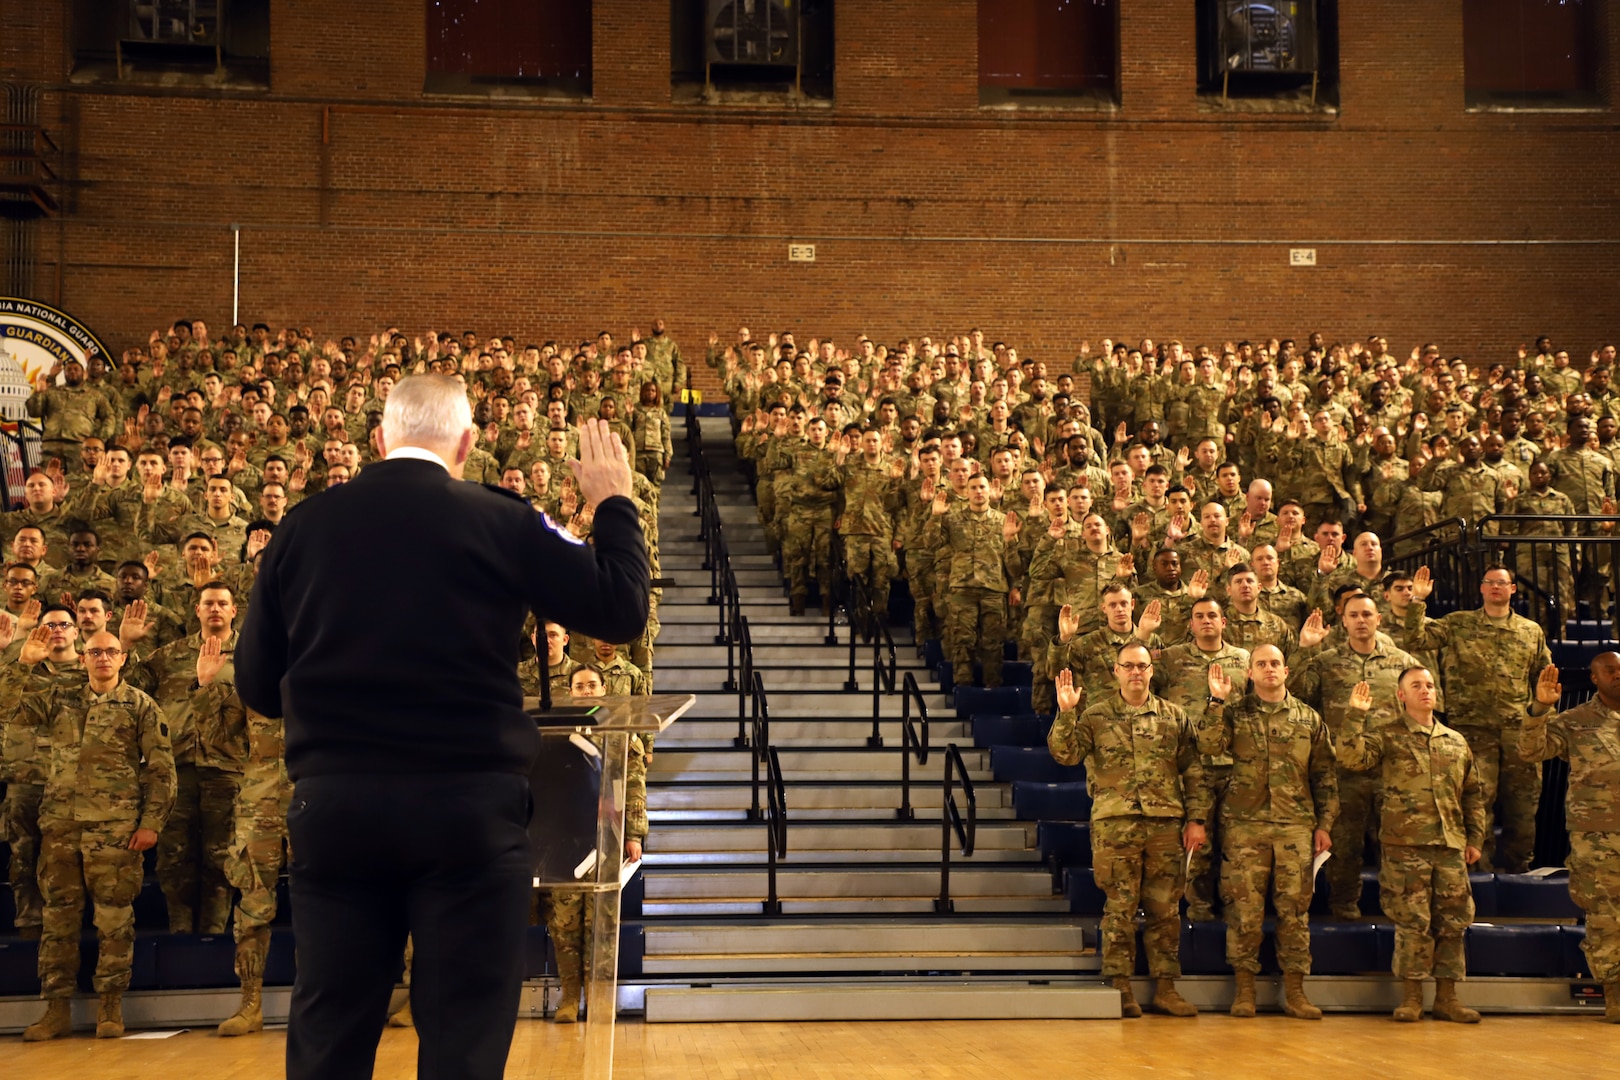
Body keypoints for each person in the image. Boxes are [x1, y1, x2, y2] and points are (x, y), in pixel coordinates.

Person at [236, 377, 649, 1080]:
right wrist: (613, 503)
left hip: (337, 812)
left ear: (379, 441)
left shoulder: (303, 526)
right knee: (462, 1034)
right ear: (466, 443)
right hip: (466, 815)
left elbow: (256, 687)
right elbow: (620, 609)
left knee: (329, 1029)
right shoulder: (502, 519)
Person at [20, 629, 175, 1041]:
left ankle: (110, 1005)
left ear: (123, 658)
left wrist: (151, 823)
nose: (103, 658)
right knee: (58, 921)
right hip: (61, 827)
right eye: (95, 652)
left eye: (111, 651)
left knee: (114, 920)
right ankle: (55, 1008)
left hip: (115, 830)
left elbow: (162, 770)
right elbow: (11, 709)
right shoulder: (60, 699)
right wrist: (23, 666)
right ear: (83, 657)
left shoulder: (141, 705)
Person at [1047, 649, 1208, 1019]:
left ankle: (1165, 988)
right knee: (1119, 908)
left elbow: (1194, 770)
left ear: (1151, 671)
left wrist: (1197, 819)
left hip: (1166, 823)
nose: (1136, 672)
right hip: (1115, 823)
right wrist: (1066, 712)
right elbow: (1065, 754)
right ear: (1116, 672)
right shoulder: (1096, 716)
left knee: (1165, 910)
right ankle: (1120, 985)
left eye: (1142, 666)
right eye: (1128, 667)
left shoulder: (1174, 716)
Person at [1339, 668, 1486, 1023]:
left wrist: (1474, 838)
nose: (1425, 691)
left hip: (1449, 844)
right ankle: (1412, 997)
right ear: (1401, 696)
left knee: (1452, 923)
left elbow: (1473, 794)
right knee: (1413, 923)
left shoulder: (1454, 740)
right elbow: (1350, 758)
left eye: (1430, 685)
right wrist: (1355, 715)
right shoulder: (1387, 737)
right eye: (1416, 686)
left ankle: (1447, 997)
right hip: (1405, 845)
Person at [1203, 646, 1337, 1019]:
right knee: (1244, 912)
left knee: (1294, 912)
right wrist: (1215, 702)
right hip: (1245, 825)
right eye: (1260, 664)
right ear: (1249, 673)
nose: (1269, 669)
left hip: (1295, 825)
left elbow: (1324, 775)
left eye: (1274, 663)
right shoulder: (1233, 713)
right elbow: (1209, 746)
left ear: (1287, 670)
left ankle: (1294, 992)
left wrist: (1324, 824)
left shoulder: (1309, 719)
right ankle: (1244, 990)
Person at [1404, 564, 1551, 872]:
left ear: (1512, 589)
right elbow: (1416, 640)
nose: (1495, 587)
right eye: (1489, 582)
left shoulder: (1530, 631)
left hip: (1517, 731)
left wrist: (1541, 718)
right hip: (1472, 731)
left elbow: (1542, 679)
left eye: (1502, 582)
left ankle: (1517, 874)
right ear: (1481, 589)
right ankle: (1478, 875)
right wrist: (1417, 602)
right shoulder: (1458, 623)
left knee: (1523, 809)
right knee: (1476, 805)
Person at [1521, 655, 1620, 1022]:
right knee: (1607, 919)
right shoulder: (1576, 721)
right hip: (1598, 837)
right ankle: (1615, 994)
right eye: (1610, 670)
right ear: (1594, 678)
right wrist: (1538, 709)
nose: (1618, 675)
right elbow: (1531, 750)